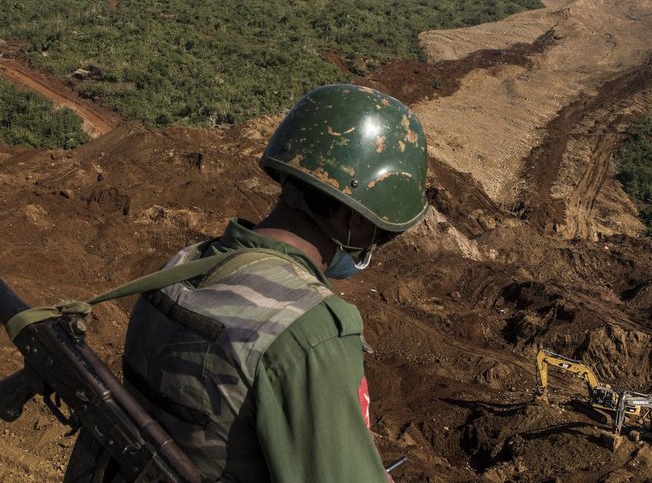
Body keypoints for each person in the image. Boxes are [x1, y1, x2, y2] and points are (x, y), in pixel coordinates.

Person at [122, 83, 428, 482]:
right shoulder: (311, 331)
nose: (376, 244)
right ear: (353, 218)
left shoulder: (186, 263)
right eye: (381, 232)